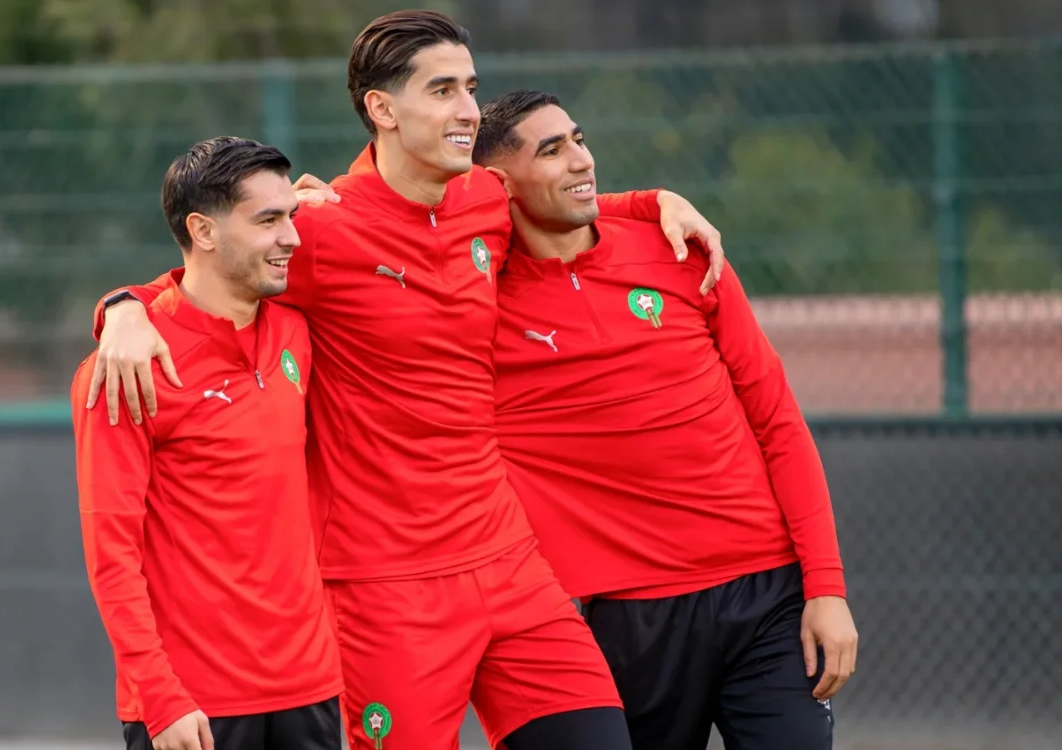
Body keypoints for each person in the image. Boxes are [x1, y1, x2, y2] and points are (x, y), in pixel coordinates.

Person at [81, 11, 728, 750]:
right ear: (381, 110)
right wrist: (123, 309)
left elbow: (562, 204)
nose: (467, 111)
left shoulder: (485, 199)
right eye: (443, 89)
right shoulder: (320, 231)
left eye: (471, 88)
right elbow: (214, 271)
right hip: (385, 590)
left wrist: (650, 203)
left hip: (508, 560)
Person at [473, 89, 860, 750]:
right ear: (498, 185)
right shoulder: (476, 297)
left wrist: (826, 587)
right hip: (622, 619)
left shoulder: (680, 249)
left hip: (766, 597)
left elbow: (779, 423)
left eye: (578, 139)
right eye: (552, 150)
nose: (580, 160)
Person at [70, 136, 343, 750]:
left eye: (291, 216)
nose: (291, 238)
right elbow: (112, 555)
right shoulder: (124, 367)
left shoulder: (298, 331)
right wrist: (159, 697)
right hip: (194, 705)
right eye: (267, 220)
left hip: (312, 690)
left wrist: (120, 302)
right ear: (204, 230)